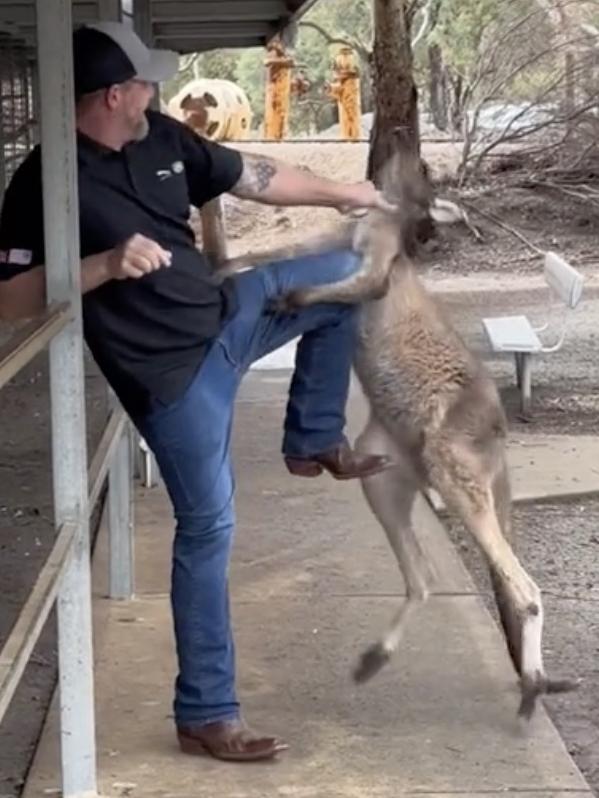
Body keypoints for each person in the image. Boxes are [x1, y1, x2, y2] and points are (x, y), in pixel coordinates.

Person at [0, 22, 394, 762]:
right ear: (114, 94)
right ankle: (206, 712)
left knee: (352, 273)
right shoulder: (45, 180)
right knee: (208, 529)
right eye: (145, 81)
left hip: (228, 315)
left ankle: (312, 438)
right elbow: (8, 301)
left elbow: (256, 175)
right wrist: (104, 265)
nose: (158, 91)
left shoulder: (161, 138)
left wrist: (345, 193)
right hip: (173, 381)